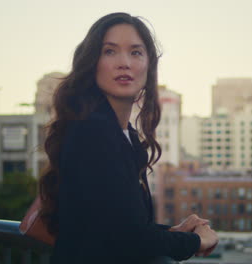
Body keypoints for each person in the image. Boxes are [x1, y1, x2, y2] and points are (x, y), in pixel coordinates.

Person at [38, 12, 218, 263]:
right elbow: (128, 237)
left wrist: (172, 232)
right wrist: (197, 241)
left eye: (135, 52)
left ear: (148, 66)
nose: (124, 63)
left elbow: (118, 226)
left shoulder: (126, 136)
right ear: (92, 63)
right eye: (110, 51)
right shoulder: (92, 131)